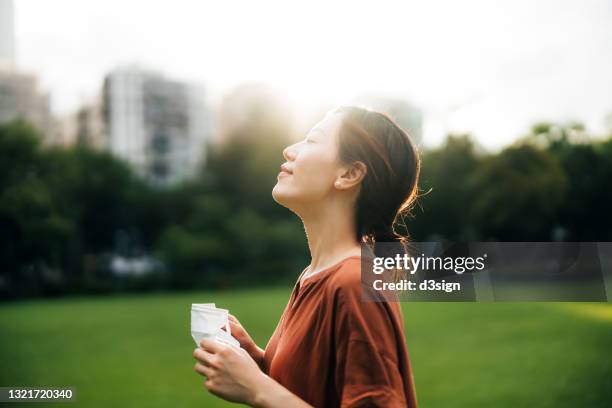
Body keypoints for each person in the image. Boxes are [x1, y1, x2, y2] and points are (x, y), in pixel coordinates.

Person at [193, 106, 420, 407]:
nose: (289, 151)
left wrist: (257, 388)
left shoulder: (353, 282)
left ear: (349, 174)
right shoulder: (314, 274)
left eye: (312, 141)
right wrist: (257, 361)